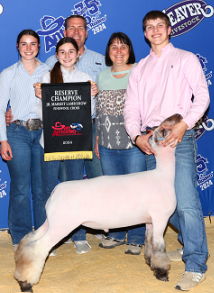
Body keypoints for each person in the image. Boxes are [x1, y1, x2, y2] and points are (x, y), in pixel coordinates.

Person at [124, 11, 210, 291]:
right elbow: (132, 108)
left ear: (169, 29)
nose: (155, 30)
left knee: (185, 201)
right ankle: (189, 245)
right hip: (151, 139)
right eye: (149, 27)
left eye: (160, 25)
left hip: (178, 137)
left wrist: (184, 125)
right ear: (145, 33)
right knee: (161, 205)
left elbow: (202, 97)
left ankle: (196, 264)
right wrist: (136, 136)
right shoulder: (139, 69)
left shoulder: (186, 59)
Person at [34, 37, 98, 254]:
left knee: (75, 190)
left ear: (78, 54)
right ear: (57, 55)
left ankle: (78, 236)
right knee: (48, 189)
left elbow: (90, 114)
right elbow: (39, 113)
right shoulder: (46, 77)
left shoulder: (85, 78)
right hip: (51, 140)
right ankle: (47, 236)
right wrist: (41, 97)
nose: (67, 56)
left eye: (71, 51)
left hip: (76, 141)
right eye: (63, 52)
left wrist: (91, 96)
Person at [0, 29, 50, 250]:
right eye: (24, 44)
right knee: (20, 187)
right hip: (17, 133)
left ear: (39, 46)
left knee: (42, 189)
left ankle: (42, 237)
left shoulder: (49, 71)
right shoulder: (8, 73)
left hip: (44, 133)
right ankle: (21, 237)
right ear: (17, 47)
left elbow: (58, 104)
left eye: (33, 44)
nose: (28, 48)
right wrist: (3, 140)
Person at [95, 32, 147, 255]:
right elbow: (99, 110)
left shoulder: (140, 71)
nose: (118, 51)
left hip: (133, 144)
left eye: (123, 47)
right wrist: (97, 139)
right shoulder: (101, 76)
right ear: (108, 52)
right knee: (113, 191)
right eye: (113, 47)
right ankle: (116, 234)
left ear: (130, 50)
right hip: (107, 143)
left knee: (135, 190)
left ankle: (136, 237)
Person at [46, 15, 106, 183]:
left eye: (81, 28)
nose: (76, 32)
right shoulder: (51, 62)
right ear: (64, 31)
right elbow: (41, 93)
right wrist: (14, 109)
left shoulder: (100, 60)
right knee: (68, 182)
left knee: (99, 179)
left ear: (86, 33)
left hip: (94, 127)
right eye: (72, 28)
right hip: (63, 130)